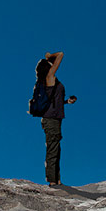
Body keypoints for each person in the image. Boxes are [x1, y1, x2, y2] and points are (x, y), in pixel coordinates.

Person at [35, 51, 77, 186]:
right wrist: (49, 56)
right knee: (53, 148)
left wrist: (66, 102)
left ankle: (56, 179)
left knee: (56, 148)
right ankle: (52, 181)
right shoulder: (49, 77)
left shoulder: (51, 82)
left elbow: (53, 101)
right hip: (51, 120)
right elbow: (61, 54)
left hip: (54, 118)